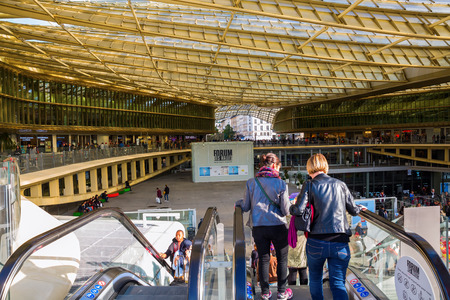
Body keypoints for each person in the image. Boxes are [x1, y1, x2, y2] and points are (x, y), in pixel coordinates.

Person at [290, 153, 363, 300]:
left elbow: (298, 210)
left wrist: (291, 206)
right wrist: (360, 208)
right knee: (338, 283)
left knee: (316, 279)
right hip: (340, 241)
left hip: (316, 241)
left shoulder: (309, 185)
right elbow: (354, 210)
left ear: (309, 168)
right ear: (325, 167)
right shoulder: (341, 184)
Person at [235, 152, 292, 300]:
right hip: (278, 226)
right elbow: (286, 210)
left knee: (264, 258)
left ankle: (265, 293)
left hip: (259, 227)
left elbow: (246, 206)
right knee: (282, 259)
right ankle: (281, 292)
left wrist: (239, 203)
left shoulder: (251, 182)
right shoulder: (281, 183)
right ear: (274, 165)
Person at [286, 215, 308, 286]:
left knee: (292, 271)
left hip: (291, 244)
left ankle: (292, 291)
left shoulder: (289, 217)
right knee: (303, 270)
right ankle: (304, 291)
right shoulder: (304, 216)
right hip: (303, 243)